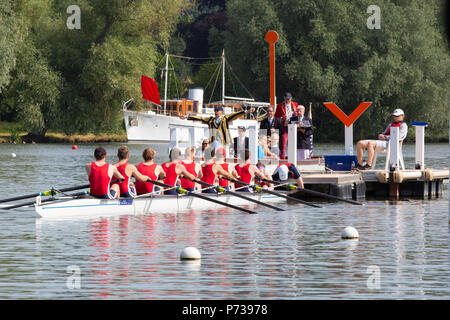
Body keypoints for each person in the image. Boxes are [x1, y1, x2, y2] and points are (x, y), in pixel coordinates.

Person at [182, 106, 255, 149]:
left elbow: (235, 115)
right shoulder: (211, 120)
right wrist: (187, 116)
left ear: (221, 112)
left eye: (217, 110)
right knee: (215, 148)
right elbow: (200, 118)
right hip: (215, 141)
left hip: (225, 141)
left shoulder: (225, 118)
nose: (216, 112)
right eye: (215, 110)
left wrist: (246, 111)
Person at [275, 92, 299, 159]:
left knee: (294, 144)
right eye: (286, 99)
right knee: (283, 144)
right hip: (284, 127)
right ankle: (282, 159)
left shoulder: (295, 105)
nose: (287, 100)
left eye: (288, 99)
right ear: (284, 98)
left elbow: (299, 115)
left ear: (291, 98)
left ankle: (294, 158)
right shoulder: (280, 106)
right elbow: (276, 118)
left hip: (294, 127)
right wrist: (282, 118)